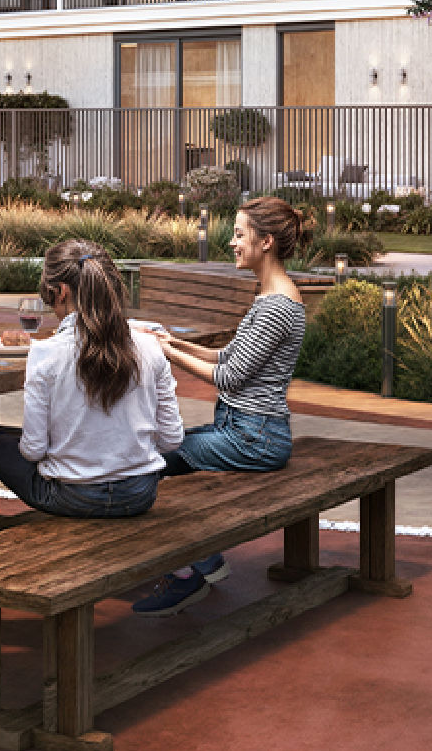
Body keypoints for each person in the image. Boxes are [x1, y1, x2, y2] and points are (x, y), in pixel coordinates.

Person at [131, 195, 306, 616]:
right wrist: (172, 340)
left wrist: (165, 353)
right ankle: (203, 559)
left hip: (253, 437)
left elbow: (227, 377)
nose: (232, 242)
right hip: (246, 430)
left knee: (149, 462)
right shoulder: (272, 297)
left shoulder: (276, 306)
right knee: (159, 456)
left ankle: (192, 571)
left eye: (239, 234)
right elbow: (229, 355)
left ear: (266, 242)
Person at [0, 240, 184, 519]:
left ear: (61, 292)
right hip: (140, 494)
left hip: (73, 498)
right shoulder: (149, 345)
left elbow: (33, 451)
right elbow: (172, 440)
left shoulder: (45, 353)